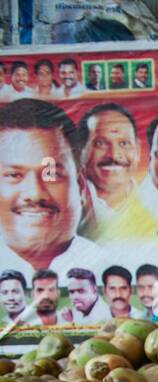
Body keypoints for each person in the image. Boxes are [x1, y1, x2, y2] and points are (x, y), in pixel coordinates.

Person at [0, 100, 108, 277]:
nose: (34, 194)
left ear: (80, 185)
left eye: (51, 174)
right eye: (14, 175)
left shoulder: (110, 266)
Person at [78, 103, 140, 226]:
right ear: (81, 151)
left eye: (124, 143)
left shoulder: (155, 201)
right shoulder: (68, 206)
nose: (114, 155)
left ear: (138, 150)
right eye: (101, 143)